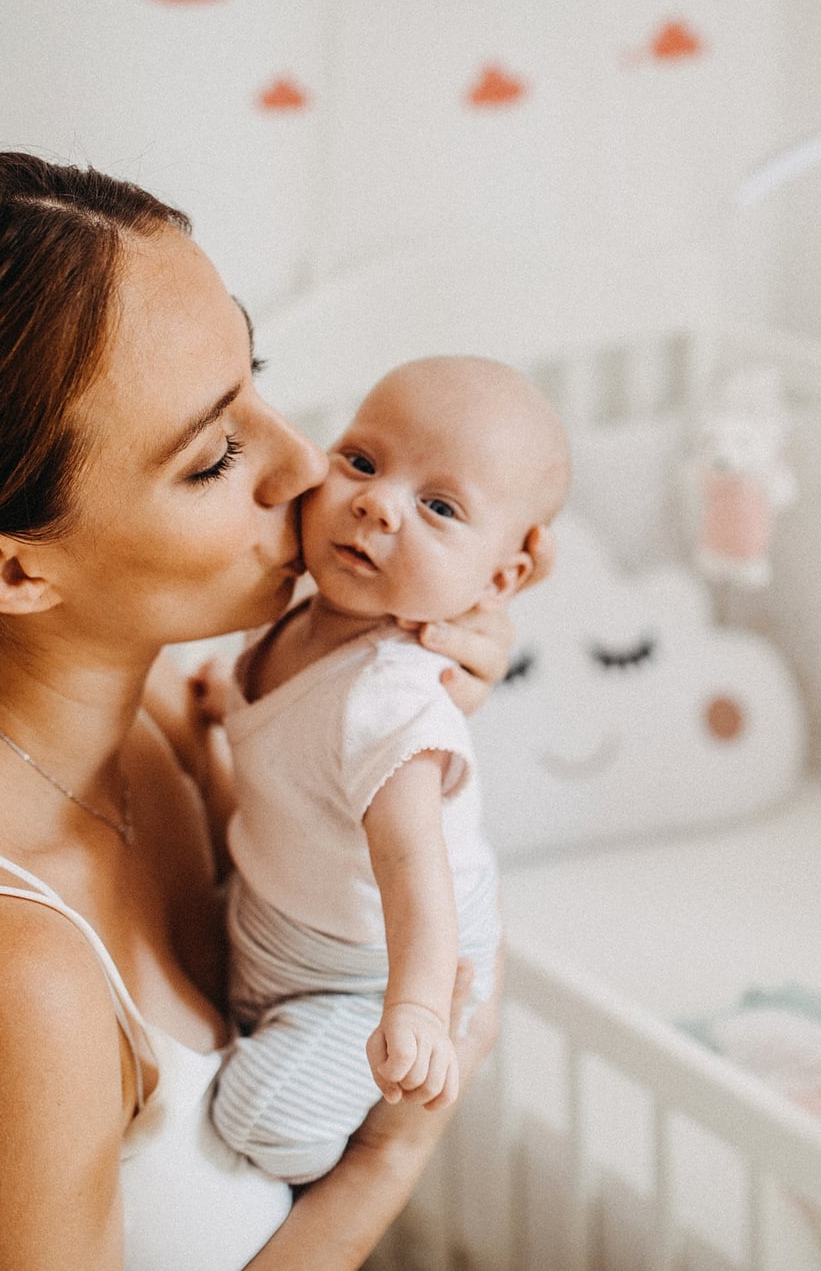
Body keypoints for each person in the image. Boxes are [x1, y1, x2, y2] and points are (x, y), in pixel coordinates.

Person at [0, 149, 550, 1269]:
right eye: (213, 455)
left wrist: (390, 672)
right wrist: (392, 1155)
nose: (301, 466)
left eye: (255, 378)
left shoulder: (147, 731)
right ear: (9, 571)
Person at [188, 356, 569, 1183]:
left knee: (262, 1125)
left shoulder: (392, 702)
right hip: (278, 918)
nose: (375, 501)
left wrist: (420, 1011)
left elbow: (413, 871)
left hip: (371, 972)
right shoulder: (292, 609)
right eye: (361, 460)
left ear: (498, 580)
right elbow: (290, 731)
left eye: (438, 506)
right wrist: (224, 700)